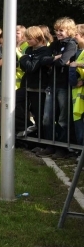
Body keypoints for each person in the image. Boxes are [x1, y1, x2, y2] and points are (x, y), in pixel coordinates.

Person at [38, 17, 78, 158]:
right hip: (52, 84)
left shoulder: (72, 44)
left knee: (63, 119)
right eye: (57, 30)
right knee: (47, 118)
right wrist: (55, 58)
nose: (58, 33)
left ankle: (62, 148)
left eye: (62, 30)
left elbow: (62, 61)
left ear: (70, 31)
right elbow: (41, 60)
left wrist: (54, 59)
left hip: (64, 85)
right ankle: (50, 145)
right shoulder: (54, 44)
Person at [15, 26, 52, 139]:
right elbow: (24, 67)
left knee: (39, 115)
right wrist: (26, 58)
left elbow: (31, 67)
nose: (27, 41)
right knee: (12, 103)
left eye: (30, 38)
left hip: (38, 87)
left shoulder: (45, 51)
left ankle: (41, 140)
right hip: (26, 85)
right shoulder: (29, 50)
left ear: (38, 38)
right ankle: (29, 128)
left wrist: (23, 57)